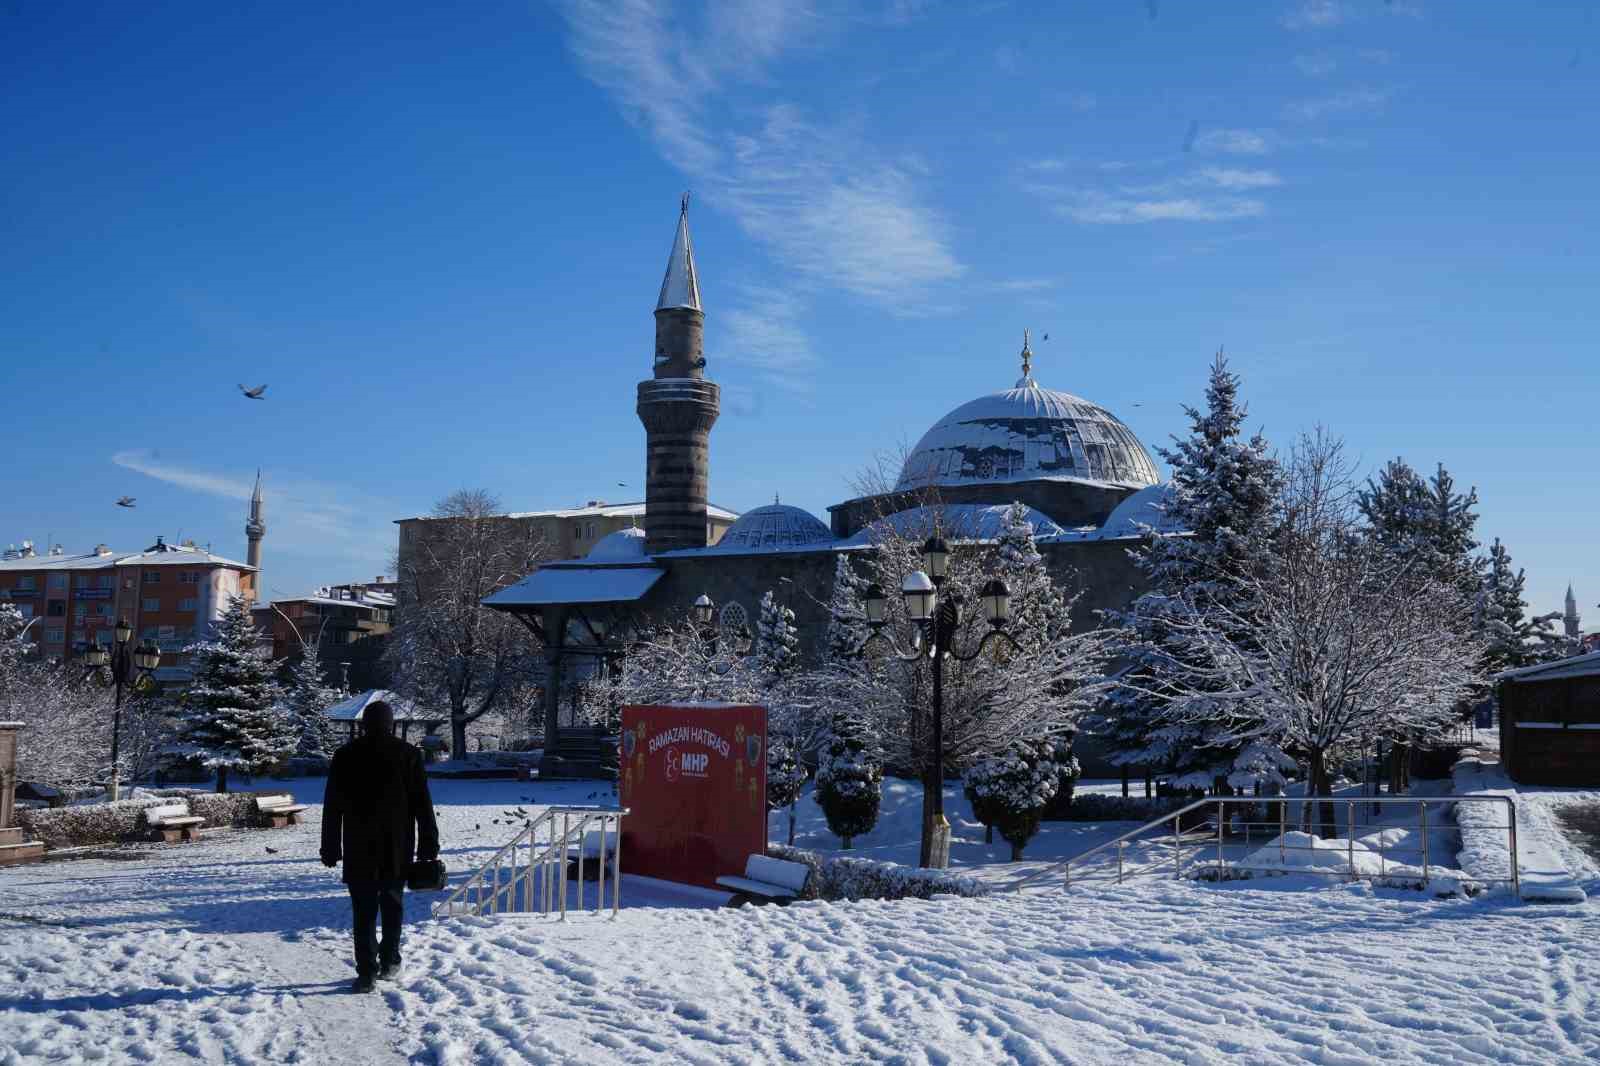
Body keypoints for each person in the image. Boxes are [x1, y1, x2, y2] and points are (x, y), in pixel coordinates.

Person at [321, 700, 440, 993]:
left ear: (363, 723)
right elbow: (422, 804)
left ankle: (366, 973)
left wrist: (331, 847)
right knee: (392, 905)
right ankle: (389, 961)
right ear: (390, 724)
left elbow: (333, 806)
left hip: (358, 844)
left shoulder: (346, 755)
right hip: (396, 846)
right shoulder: (408, 754)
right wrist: (428, 844)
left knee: (363, 911)